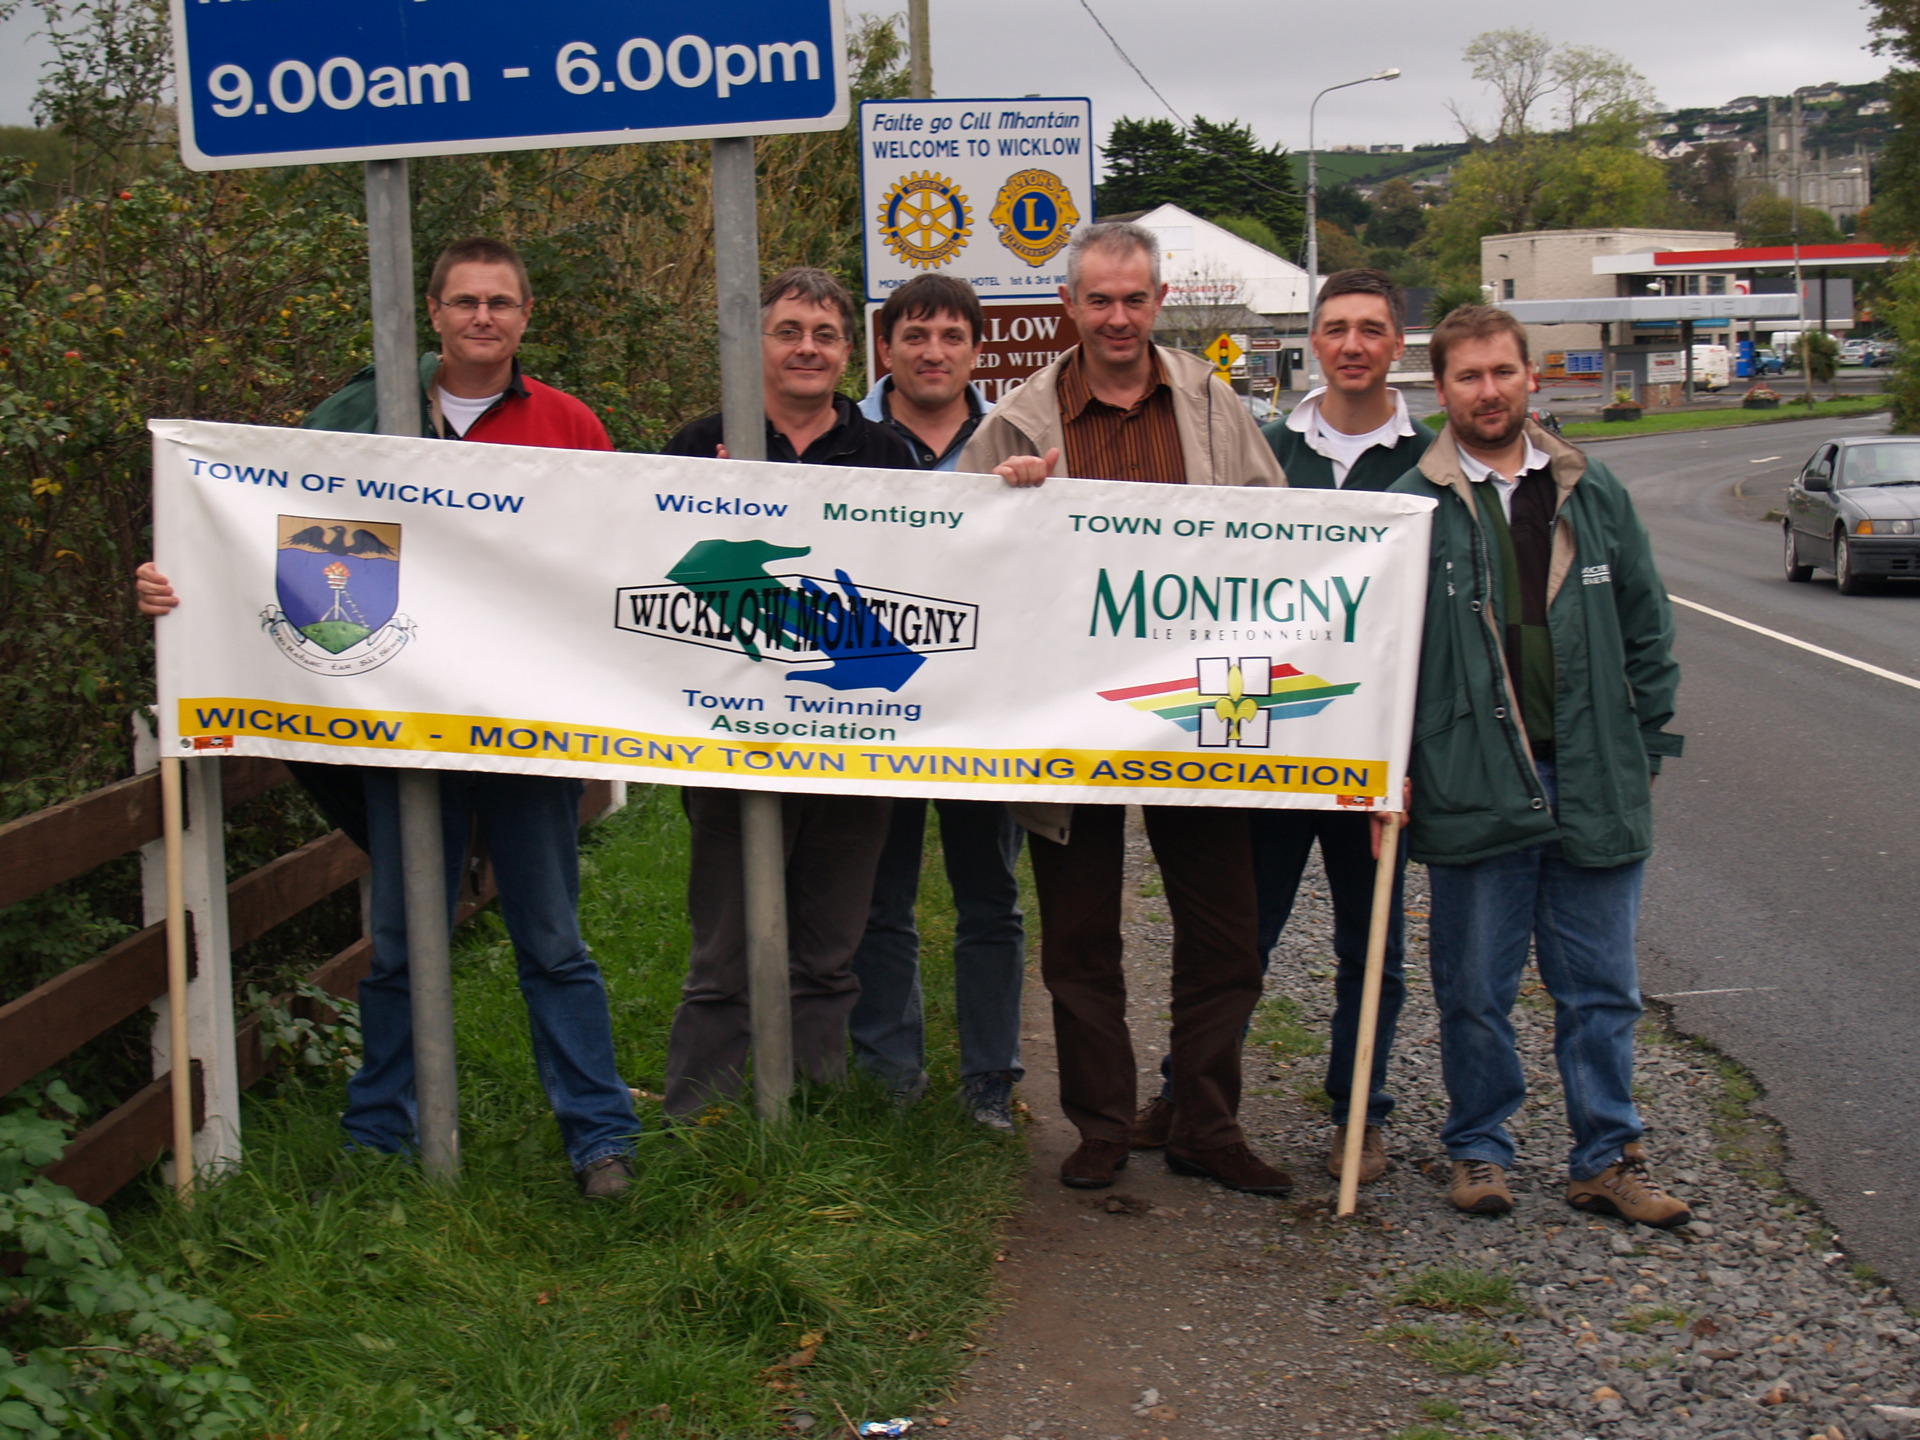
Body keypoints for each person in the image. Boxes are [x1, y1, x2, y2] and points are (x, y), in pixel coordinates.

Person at [136, 237, 639, 1199]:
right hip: (402, 730)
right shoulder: (362, 422)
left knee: (553, 940)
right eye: (464, 303)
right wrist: (180, 582)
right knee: (405, 946)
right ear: (434, 315)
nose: (482, 318)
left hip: (526, 733)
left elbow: (615, 555)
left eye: (500, 303)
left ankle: (599, 1138)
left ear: (526, 317)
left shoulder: (569, 425)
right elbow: (257, 518)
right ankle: (379, 1145)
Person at [959, 220, 1293, 1196]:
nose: (1115, 317)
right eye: (1097, 300)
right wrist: (1007, 502)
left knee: (1226, 932)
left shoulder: (1211, 406)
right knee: (1078, 937)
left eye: (1132, 300)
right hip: (1070, 716)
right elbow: (963, 564)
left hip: (1201, 707)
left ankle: (1203, 1120)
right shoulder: (1017, 424)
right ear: (1068, 306)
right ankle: (1101, 1125)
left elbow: (1284, 538)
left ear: (1157, 302)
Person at [1390, 305, 1690, 1227]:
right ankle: (1479, 1149)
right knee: (1474, 985)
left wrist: (1647, 747)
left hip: (1591, 774)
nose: (1489, 391)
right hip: (1475, 782)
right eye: (1469, 377)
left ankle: (1608, 1156)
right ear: (1440, 391)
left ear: (1530, 378)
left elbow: (1648, 628)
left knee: (1601, 987)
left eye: (1503, 373)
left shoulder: (1592, 493)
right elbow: (1385, 653)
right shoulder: (1414, 506)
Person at [1132, 269, 1431, 1185]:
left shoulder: (1430, 465)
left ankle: (1358, 1117)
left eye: (1370, 329)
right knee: (1238, 938)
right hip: (1266, 742)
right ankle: (1190, 1094)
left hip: (1374, 753)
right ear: (1314, 339)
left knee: (1367, 945)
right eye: (1336, 327)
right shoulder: (1260, 448)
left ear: (1395, 342)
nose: (1352, 344)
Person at [660, 266, 918, 1120]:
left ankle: (816, 1107)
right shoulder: (699, 446)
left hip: (853, 739)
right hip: (730, 739)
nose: (807, 347)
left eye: (825, 334)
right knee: (724, 947)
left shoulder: (890, 457)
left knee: (830, 946)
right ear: (755, 342)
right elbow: (649, 577)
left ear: (851, 352)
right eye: (788, 331)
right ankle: (702, 1115)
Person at [848, 273, 1026, 1128]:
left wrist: (1037, 502)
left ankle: (991, 1077)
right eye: (915, 336)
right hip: (872, 703)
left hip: (985, 705)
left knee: (988, 894)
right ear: (886, 349)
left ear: (975, 351)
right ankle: (891, 1073)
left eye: (952, 336)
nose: (933, 352)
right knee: (881, 898)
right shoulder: (843, 439)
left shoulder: (1019, 440)